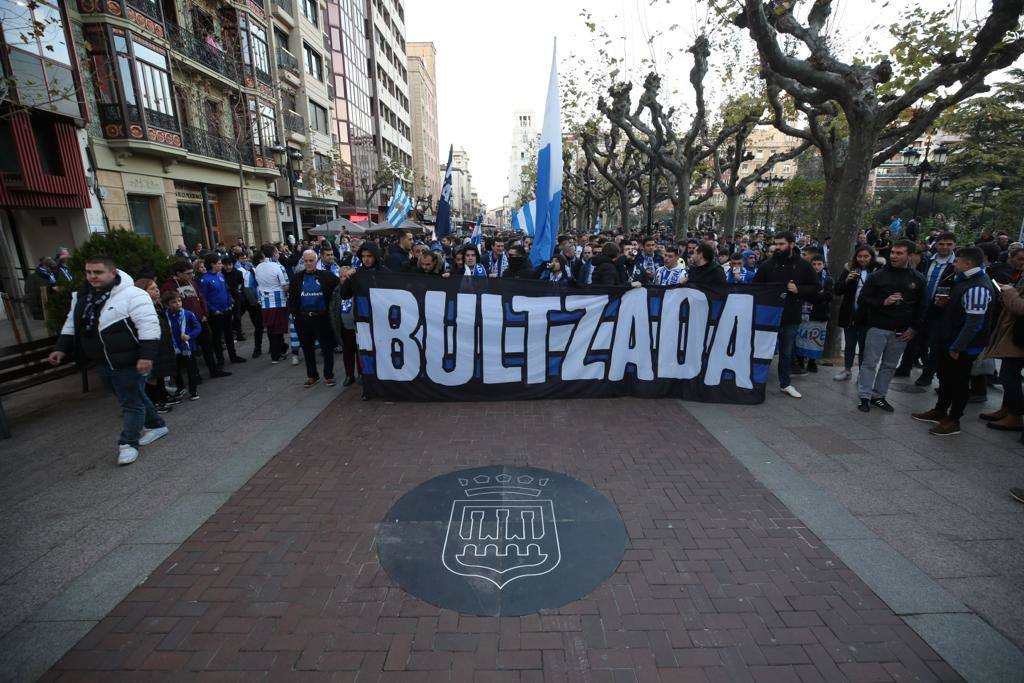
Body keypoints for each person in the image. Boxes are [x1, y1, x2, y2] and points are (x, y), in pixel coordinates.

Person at [48, 257, 167, 466]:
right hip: (101, 360)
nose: (92, 276)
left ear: (113, 273)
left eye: (98, 272)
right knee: (132, 396)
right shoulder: (82, 296)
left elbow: (148, 326)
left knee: (130, 402)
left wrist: (146, 355)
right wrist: (60, 348)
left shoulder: (133, 295)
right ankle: (156, 424)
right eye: (89, 272)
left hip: (130, 360)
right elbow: (72, 323)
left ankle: (128, 443)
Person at [912, 247, 995, 435]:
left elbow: (974, 323)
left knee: (958, 382)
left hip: (962, 346)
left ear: (967, 263)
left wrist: (958, 346)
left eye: (957, 261)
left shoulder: (978, 286)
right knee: (946, 378)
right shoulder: (963, 281)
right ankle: (940, 410)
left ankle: (954, 419)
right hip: (949, 340)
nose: (954, 264)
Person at [854, 240, 926, 412]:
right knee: (870, 363)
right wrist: (883, 302)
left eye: (899, 253)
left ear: (910, 256)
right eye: (893, 252)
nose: (894, 256)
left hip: (902, 331)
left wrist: (914, 328)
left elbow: (922, 307)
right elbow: (862, 299)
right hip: (877, 327)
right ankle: (864, 396)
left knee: (889, 365)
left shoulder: (918, 278)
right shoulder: (878, 276)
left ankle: (879, 396)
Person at [752, 231, 819, 399]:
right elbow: (755, 287)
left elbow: (816, 286)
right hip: (768, 316)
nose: (777, 247)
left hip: (790, 316)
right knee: (762, 349)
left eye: (782, 244)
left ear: (791, 244)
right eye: (776, 243)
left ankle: (785, 383)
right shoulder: (768, 265)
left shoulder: (803, 265)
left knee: (786, 351)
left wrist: (799, 290)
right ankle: (756, 380)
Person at [161, 260, 228, 379]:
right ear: (178, 273)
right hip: (183, 323)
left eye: (192, 273)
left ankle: (213, 370)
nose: (191, 276)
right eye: (187, 273)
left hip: (199, 320)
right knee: (189, 350)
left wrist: (204, 313)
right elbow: (167, 305)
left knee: (207, 346)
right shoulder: (169, 286)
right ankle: (194, 376)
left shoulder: (192, 282)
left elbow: (200, 297)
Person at [978, 275, 1024, 431]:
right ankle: (1007, 409)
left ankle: (1015, 415)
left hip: (1020, 336)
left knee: (1009, 375)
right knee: (1008, 372)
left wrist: (1009, 291)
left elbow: (1020, 307)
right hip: (1014, 333)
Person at [288, 250, 339, 387]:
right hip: (303, 319)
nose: (308, 263)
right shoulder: (297, 278)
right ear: (303, 262)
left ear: (316, 261)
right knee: (307, 349)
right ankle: (312, 375)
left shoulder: (327, 276)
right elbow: (292, 298)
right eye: (306, 261)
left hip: (322, 317)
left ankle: (329, 375)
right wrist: (294, 313)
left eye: (311, 261)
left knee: (327, 348)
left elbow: (339, 287)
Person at [913, 232, 957, 386]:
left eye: (949, 244)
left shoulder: (956, 265)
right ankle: (907, 366)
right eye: (942, 244)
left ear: (954, 245)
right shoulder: (927, 260)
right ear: (936, 244)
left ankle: (928, 374)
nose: (945, 247)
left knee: (935, 343)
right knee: (916, 338)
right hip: (922, 307)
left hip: (942, 310)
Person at [833, 246, 880, 381]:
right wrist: (847, 280)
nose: (862, 259)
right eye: (860, 256)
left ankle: (862, 373)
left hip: (868, 316)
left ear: (871, 257)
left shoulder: (877, 271)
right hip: (850, 314)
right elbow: (837, 290)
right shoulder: (849, 269)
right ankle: (847, 370)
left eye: (866, 256)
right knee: (849, 345)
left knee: (865, 346)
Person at [135, 278, 179, 414]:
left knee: (160, 374)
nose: (157, 290)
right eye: (152, 288)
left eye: (156, 287)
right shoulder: (142, 308)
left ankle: (163, 396)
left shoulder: (156, 304)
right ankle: (154, 402)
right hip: (153, 346)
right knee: (152, 376)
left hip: (163, 343)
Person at [198, 255, 246, 367]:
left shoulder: (220, 275)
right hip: (216, 313)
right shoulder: (204, 279)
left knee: (229, 334)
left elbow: (226, 290)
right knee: (217, 337)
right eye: (219, 263)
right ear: (212, 265)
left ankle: (233, 356)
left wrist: (230, 303)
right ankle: (220, 360)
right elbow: (203, 298)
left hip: (227, 310)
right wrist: (213, 310)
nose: (221, 265)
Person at [795, 253, 833, 373]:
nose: (816, 266)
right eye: (814, 264)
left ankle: (812, 362)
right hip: (804, 313)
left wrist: (811, 295)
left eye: (819, 264)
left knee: (815, 339)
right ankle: (800, 360)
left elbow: (828, 295)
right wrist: (816, 294)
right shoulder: (804, 278)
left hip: (819, 313)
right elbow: (801, 292)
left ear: (824, 265)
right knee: (802, 337)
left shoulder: (828, 279)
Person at [254, 243, 292, 363]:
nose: (279, 254)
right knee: (278, 330)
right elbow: (285, 286)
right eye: (277, 252)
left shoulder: (258, 267)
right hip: (279, 302)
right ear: (274, 253)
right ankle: (276, 354)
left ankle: (279, 350)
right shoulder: (278, 267)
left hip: (265, 303)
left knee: (271, 329)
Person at [163, 291, 202, 401]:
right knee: (176, 370)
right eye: (174, 302)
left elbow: (198, 328)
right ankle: (180, 388)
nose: (178, 304)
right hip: (173, 348)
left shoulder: (188, 314)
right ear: (167, 305)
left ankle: (193, 391)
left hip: (187, 347)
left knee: (191, 370)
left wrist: (189, 336)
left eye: (179, 301)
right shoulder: (165, 316)